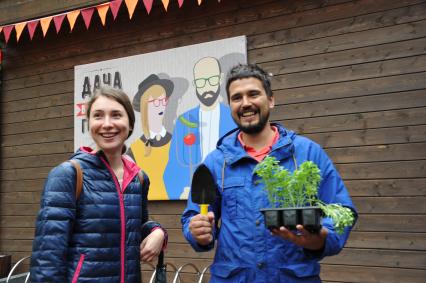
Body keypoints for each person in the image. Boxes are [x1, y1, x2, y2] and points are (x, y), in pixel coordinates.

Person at [181, 64, 357, 282]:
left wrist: (320, 239)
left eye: (253, 94)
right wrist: (197, 233)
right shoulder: (216, 162)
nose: (245, 103)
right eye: (237, 98)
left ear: (271, 100)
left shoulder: (307, 152)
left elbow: (341, 210)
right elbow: (193, 217)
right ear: (231, 106)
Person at [30, 87, 167, 283]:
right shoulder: (68, 174)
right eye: (98, 116)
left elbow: (136, 228)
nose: (107, 124)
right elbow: (47, 258)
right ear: (90, 124)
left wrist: (157, 231)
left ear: (130, 124)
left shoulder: (139, 178)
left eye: (116, 115)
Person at [164, 56, 235, 200]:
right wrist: (180, 191)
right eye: (201, 82)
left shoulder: (233, 117)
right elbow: (172, 168)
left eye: (212, 80)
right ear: (195, 84)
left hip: (230, 196)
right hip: (196, 198)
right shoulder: (184, 122)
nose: (207, 87)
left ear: (220, 79)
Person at [127, 74, 174, 200]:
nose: (160, 106)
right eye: (154, 101)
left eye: (163, 100)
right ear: (144, 105)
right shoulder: (134, 150)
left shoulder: (177, 142)